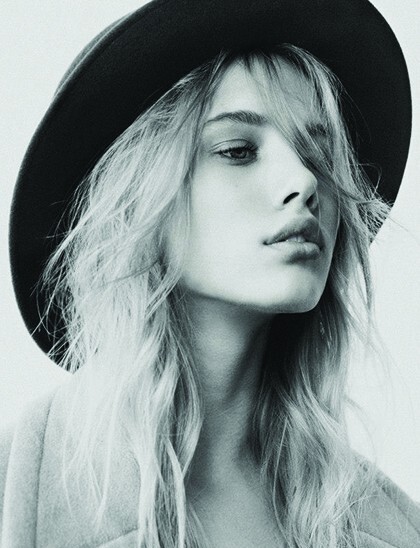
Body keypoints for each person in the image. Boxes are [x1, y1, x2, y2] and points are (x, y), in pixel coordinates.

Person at [1, 0, 419, 547]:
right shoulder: (20, 490)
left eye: (320, 156)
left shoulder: (391, 528)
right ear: (136, 199)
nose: (304, 182)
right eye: (238, 150)